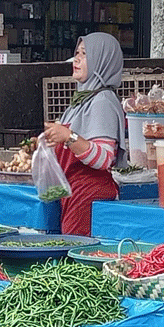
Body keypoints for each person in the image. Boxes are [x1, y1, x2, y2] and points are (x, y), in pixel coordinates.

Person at [43, 33, 127, 236]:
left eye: (85, 54)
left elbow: (104, 158)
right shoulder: (82, 99)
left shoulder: (102, 101)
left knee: (75, 256)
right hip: (73, 191)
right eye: (77, 53)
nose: (76, 59)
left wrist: (69, 137)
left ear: (102, 60)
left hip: (88, 194)